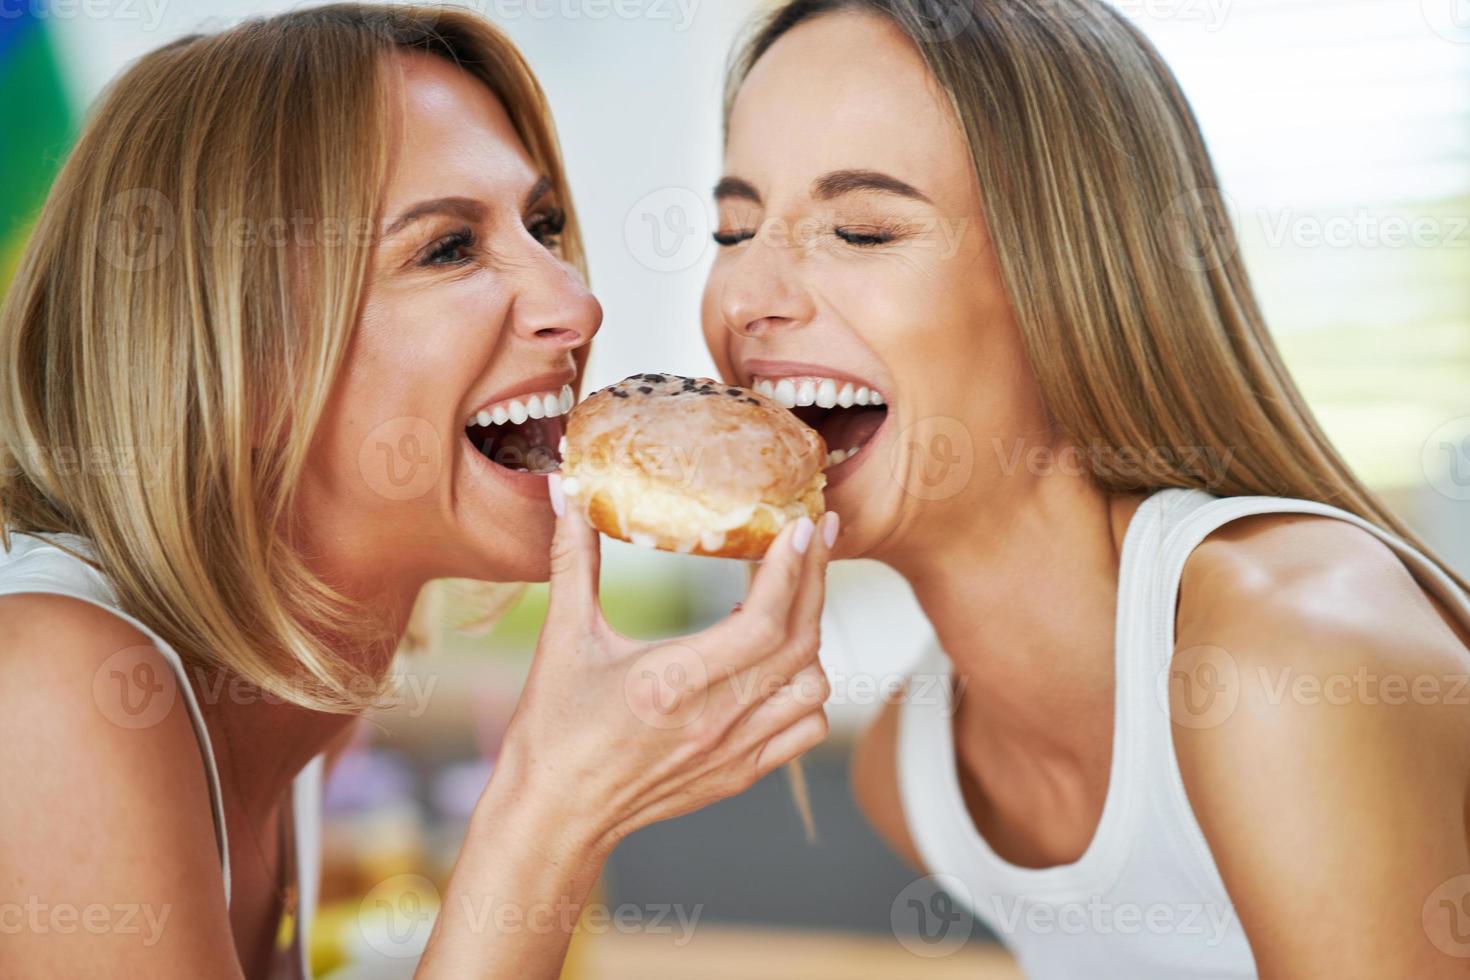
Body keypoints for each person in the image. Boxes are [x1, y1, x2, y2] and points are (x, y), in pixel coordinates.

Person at [0, 6, 837, 978]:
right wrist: (548, 809)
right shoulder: (55, 684)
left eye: (543, 226)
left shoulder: (299, 703)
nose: (577, 301)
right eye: (447, 247)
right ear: (244, 366)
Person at [702, 0, 1470, 975]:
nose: (742, 300)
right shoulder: (916, 769)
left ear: (1066, 277)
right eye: (733, 230)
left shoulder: (1285, 657)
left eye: (859, 230)